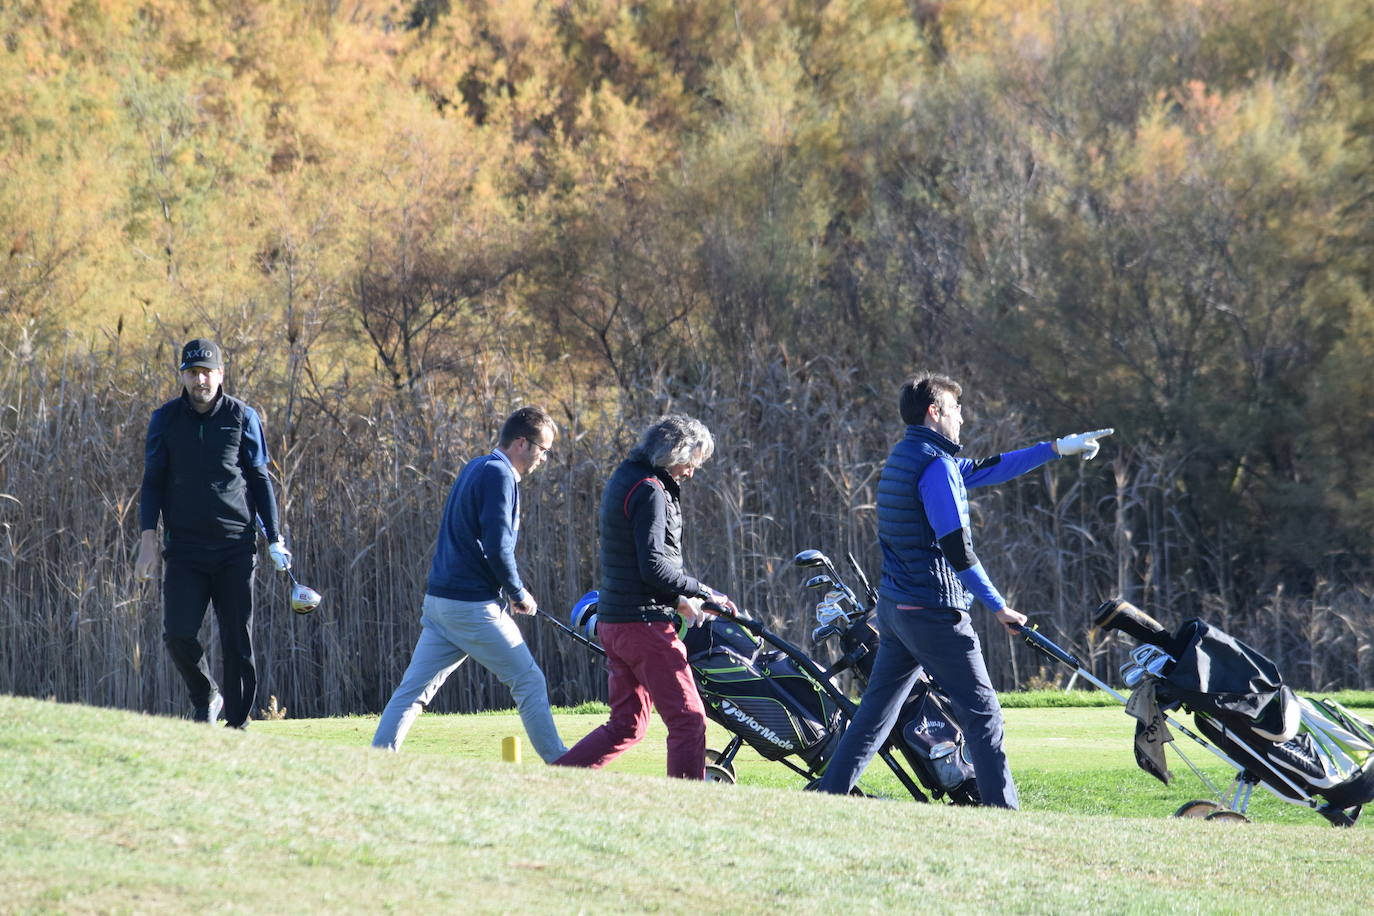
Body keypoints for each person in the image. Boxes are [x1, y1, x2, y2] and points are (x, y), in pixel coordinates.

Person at [816, 373, 1113, 806]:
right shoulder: (935, 466)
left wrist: (1055, 449)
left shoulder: (910, 455)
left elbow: (987, 469)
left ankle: (829, 794)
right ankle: (1002, 813)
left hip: (897, 612)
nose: (962, 418)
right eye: (956, 410)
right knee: (983, 715)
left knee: (876, 714)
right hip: (934, 613)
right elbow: (958, 550)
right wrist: (998, 607)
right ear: (934, 413)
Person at [372, 406, 567, 761]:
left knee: (412, 692)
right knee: (529, 681)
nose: (544, 458)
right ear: (522, 443)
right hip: (471, 607)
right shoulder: (500, 475)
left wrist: (506, 588)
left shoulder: (477, 465)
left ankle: (379, 759)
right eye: (543, 449)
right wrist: (517, 592)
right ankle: (563, 763)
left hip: (440, 602)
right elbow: (497, 545)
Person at [554, 415, 738, 779]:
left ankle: (554, 781)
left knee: (628, 725)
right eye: (692, 462)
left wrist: (675, 601)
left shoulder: (626, 476)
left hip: (615, 621)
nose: (691, 472)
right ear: (674, 453)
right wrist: (703, 591)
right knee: (689, 720)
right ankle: (685, 806)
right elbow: (653, 566)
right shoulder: (651, 489)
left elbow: (633, 565)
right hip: (642, 627)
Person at [134, 338, 292, 728]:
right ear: (183, 376)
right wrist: (148, 541)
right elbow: (153, 481)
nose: (200, 378)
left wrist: (274, 538)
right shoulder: (165, 420)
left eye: (207, 371)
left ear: (220, 374)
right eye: (192, 372)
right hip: (184, 549)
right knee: (177, 634)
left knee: (239, 642)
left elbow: (259, 479)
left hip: (235, 547)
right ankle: (206, 695)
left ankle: (238, 724)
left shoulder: (242, 416)